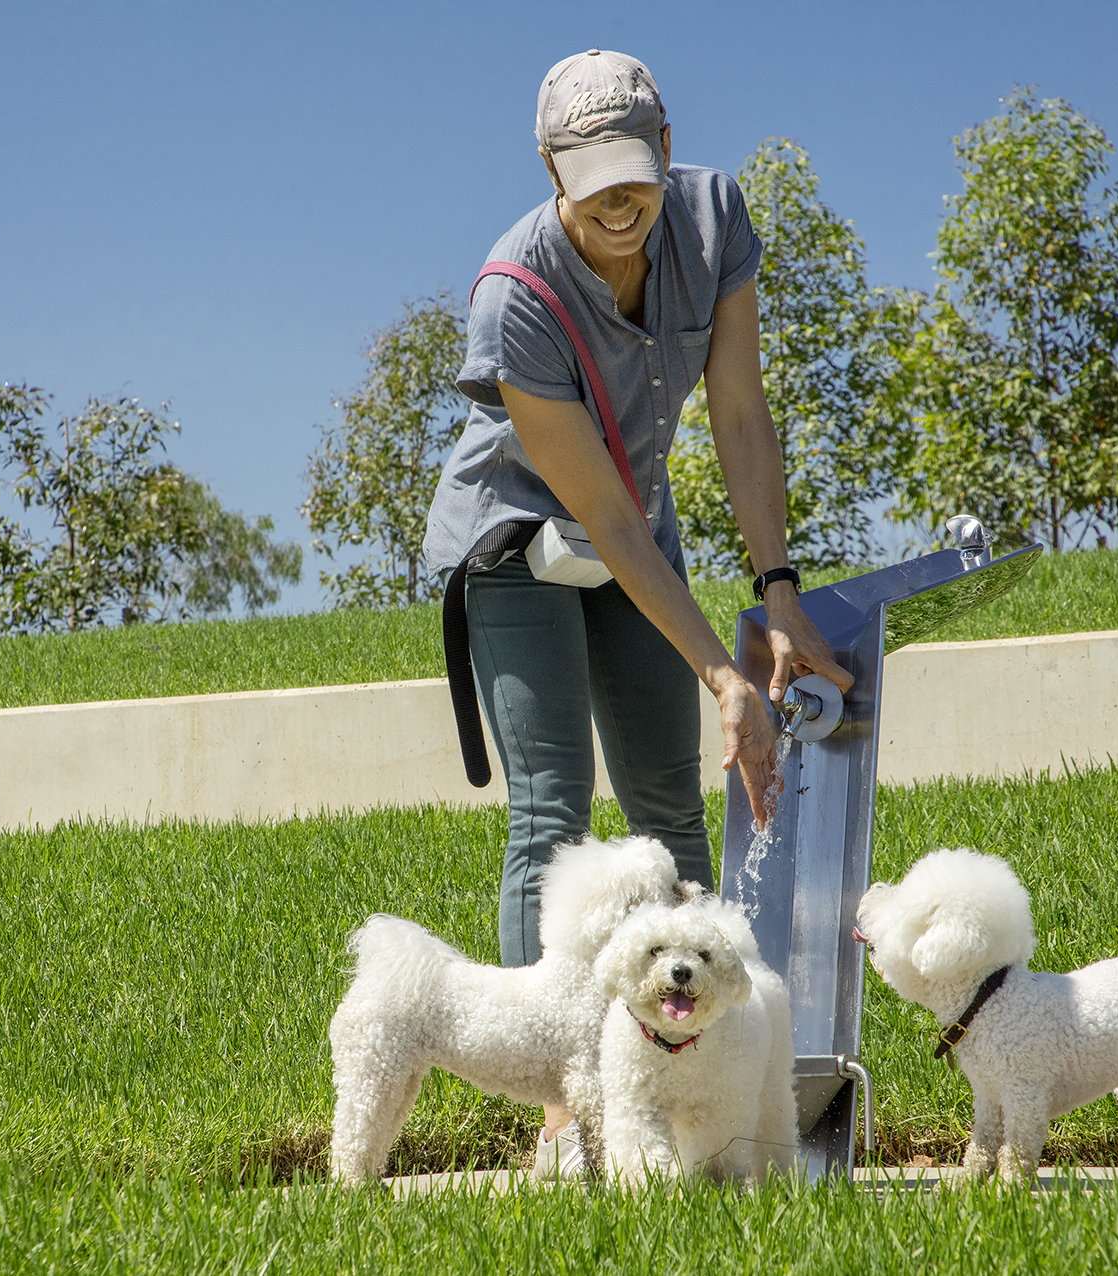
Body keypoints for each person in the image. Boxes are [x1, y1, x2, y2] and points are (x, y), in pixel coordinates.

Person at [422, 49, 853, 1171]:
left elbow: (742, 416)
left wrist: (777, 595)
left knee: (668, 802)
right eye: (592, 178)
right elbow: (603, 518)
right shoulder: (513, 296)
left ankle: (691, 1086)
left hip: (633, 532)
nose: (620, 201)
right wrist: (723, 671)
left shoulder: (715, 218)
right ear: (550, 170)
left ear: (667, 149)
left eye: (637, 171)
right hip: (522, 536)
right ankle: (569, 1116)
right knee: (555, 807)